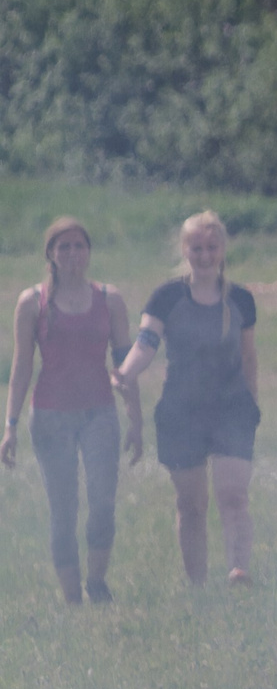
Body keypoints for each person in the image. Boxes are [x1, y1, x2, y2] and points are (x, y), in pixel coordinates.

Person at [113, 212, 260, 588]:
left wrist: (252, 406)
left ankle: (238, 571)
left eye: (212, 247)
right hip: (181, 411)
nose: (205, 255)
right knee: (191, 505)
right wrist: (126, 372)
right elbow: (146, 342)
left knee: (233, 495)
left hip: (232, 408)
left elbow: (248, 357)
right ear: (185, 250)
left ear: (223, 250)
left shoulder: (241, 299)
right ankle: (198, 586)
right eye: (197, 248)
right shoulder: (167, 297)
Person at [3, 218, 142, 603]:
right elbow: (21, 366)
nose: (72, 254)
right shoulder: (32, 302)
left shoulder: (109, 299)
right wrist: (9, 425)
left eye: (79, 246)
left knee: (102, 502)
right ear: (50, 254)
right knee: (63, 509)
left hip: (99, 412)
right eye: (63, 247)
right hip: (50, 416)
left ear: (89, 252)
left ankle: (96, 583)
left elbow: (124, 362)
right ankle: (71, 599)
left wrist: (136, 418)